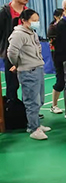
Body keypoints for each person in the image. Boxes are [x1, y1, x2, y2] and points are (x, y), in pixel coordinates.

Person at [7, 9, 50, 140]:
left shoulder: (32, 33)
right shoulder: (18, 34)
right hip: (27, 71)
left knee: (40, 99)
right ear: (24, 21)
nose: (37, 23)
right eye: (34, 20)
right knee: (32, 101)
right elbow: (11, 52)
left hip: (38, 68)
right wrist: (18, 64)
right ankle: (33, 128)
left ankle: (36, 123)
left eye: (37, 20)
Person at [0, 0, 29, 101]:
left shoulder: (28, 12)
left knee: (29, 83)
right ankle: (11, 107)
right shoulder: (4, 12)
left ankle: (29, 108)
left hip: (27, 52)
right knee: (12, 84)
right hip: (11, 52)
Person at [48, 8, 65, 114]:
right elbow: (54, 41)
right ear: (56, 17)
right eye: (62, 15)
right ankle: (54, 105)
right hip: (57, 55)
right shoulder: (53, 27)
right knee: (60, 81)